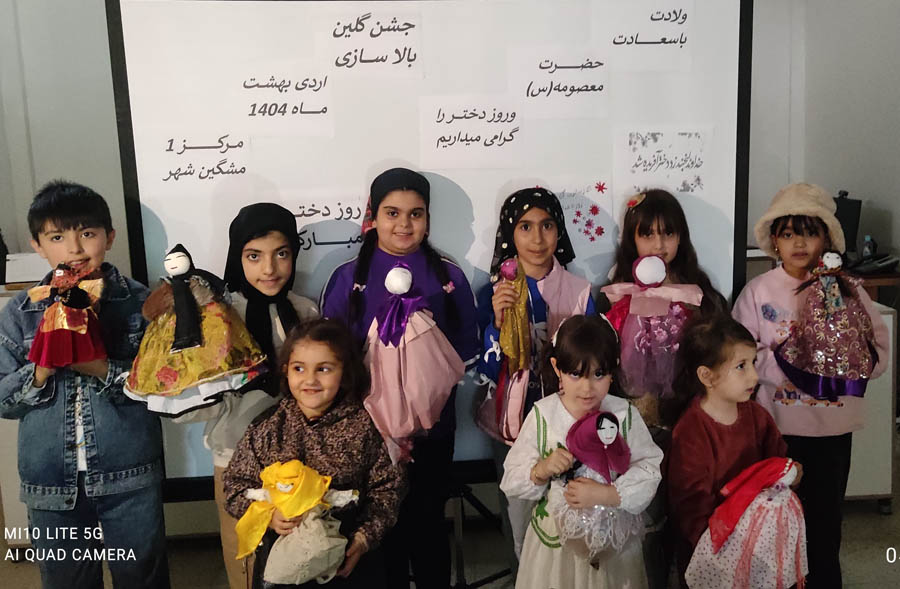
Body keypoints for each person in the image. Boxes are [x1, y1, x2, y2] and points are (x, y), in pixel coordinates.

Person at [0, 180, 169, 588]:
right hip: (49, 481)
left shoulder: (141, 304)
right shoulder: (21, 311)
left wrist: (101, 368)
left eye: (88, 233)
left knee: (141, 575)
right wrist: (41, 368)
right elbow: (4, 401)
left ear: (109, 237)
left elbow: (161, 389)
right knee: (67, 580)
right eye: (57, 237)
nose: (74, 249)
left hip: (129, 475)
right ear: (38, 245)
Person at [320, 167, 479, 588]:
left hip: (434, 429)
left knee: (428, 522)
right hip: (368, 432)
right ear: (372, 216)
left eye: (415, 214)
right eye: (392, 213)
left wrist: (422, 395)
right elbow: (329, 354)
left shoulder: (448, 277)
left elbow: (465, 349)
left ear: (428, 218)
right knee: (378, 528)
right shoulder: (348, 278)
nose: (404, 224)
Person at [733, 183, 889, 588]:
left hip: (832, 434)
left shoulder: (848, 290)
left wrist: (842, 363)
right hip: (778, 429)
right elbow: (739, 356)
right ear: (775, 241)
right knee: (777, 523)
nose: (799, 243)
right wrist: (792, 365)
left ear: (827, 239)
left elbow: (878, 350)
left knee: (824, 526)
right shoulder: (758, 292)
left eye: (809, 232)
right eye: (788, 234)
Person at [174, 203, 318, 588]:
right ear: (237, 256)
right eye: (254, 256)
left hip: (298, 457)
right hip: (235, 454)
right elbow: (193, 393)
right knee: (244, 551)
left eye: (281, 254)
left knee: (301, 551)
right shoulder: (218, 315)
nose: (269, 269)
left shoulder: (305, 311)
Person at [224, 318, 405, 589]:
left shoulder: (366, 427)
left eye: (324, 369)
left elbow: (388, 489)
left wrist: (363, 538)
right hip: (284, 555)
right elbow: (235, 486)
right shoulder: (267, 427)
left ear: (345, 373)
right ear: (286, 370)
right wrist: (268, 516)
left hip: (346, 553)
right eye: (299, 368)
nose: (310, 380)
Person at [475, 186, 594, 561]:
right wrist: (497, 323)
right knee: (519, 519)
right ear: (509, 234)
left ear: (559, 232)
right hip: (510, 423)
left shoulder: (580, 291)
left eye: (547, 225)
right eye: (525, 227)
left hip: (569, 422)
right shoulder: (493, 293)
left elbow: (593, 360)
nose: (537, 239)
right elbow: (486, 369)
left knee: (568, 516)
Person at [500, 315, 662, 589]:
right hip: (556, 546)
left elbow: (649, 468)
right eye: (576, 374)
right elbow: (512, 478)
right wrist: (540, 470)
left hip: (611, 541)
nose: (587, 388)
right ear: (557, 368)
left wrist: (608, 494)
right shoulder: (544, 416)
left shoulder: (624, 415)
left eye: (598, 374)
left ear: (613, 370)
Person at [666, 314, 795, 586]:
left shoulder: (757, 416)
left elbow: (777, 462)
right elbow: (691, 509)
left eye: (753, 363)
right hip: (713, 556)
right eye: (741, 366)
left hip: (759, 545)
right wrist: (729, 549)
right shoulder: (691, 432)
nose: (754, 375)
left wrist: (789, 473)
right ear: (707, 376)